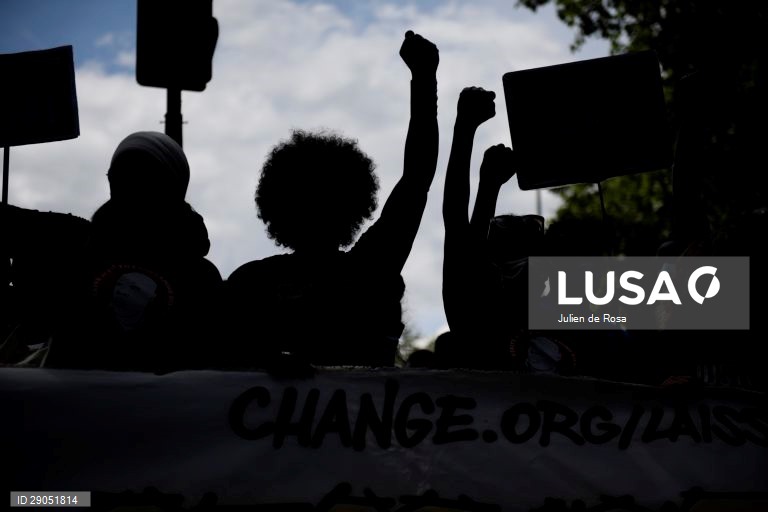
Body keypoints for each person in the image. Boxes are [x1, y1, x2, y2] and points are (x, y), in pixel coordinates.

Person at [224, 31, 439, 368]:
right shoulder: (368, 270)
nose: (315, 207)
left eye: (321, 197)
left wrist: (425, 80)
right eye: (306, 197)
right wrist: (424, 79)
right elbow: (416, 182)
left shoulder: (251, 281)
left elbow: (416, 181)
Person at [42, 131, 222, 371]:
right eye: (120, 175)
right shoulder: (76, 252)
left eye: (145, 174)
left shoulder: (201, 278)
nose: (131, 184)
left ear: (172, 185)